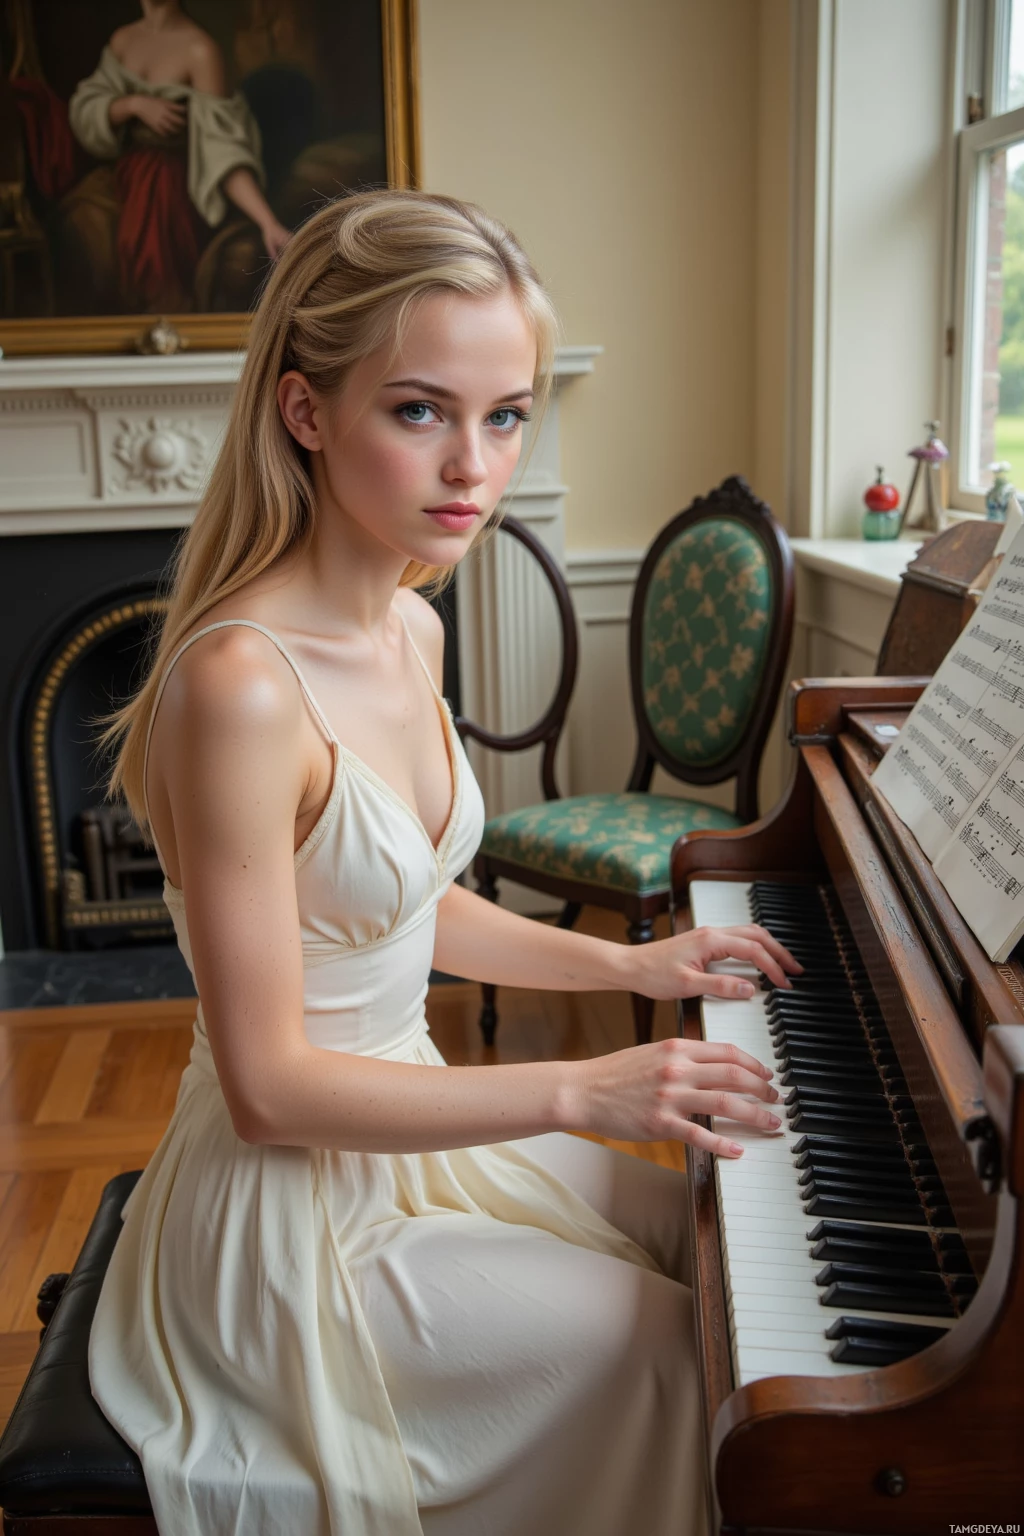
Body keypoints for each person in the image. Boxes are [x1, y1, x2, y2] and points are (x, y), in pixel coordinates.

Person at [89, 189, 796, 1536]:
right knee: (671, 1346)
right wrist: (585, 1087)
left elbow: (404, 906)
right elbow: (270, 1091)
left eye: (507, 415)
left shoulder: (411, 629)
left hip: (409, 1129)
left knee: (712, 1232)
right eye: (420, 411)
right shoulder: (241, 687)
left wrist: (631, 963)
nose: (474, 465)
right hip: (293, 1216)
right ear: (305, 412)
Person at [67, 0, 290, 312]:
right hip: (125, 177)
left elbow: (222, 152)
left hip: (168, 186)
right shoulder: (123, 40)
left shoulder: (200, 51)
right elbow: (86, 109)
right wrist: (133, 105)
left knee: (155, 267)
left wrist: (268, 222)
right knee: (80, 222)